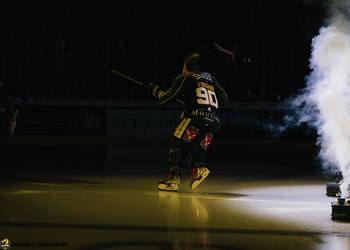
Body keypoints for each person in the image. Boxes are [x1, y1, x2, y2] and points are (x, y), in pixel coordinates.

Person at [147, 52, 229, 191]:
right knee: (193, 146)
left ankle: (174, 179)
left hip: (195, 118)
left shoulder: (186, 77)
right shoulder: (210, 78)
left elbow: (166, 99)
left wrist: (156, 91)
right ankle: (199, 169)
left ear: (186, 67)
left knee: (176, 143)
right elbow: (224, 100)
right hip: (214, 121)